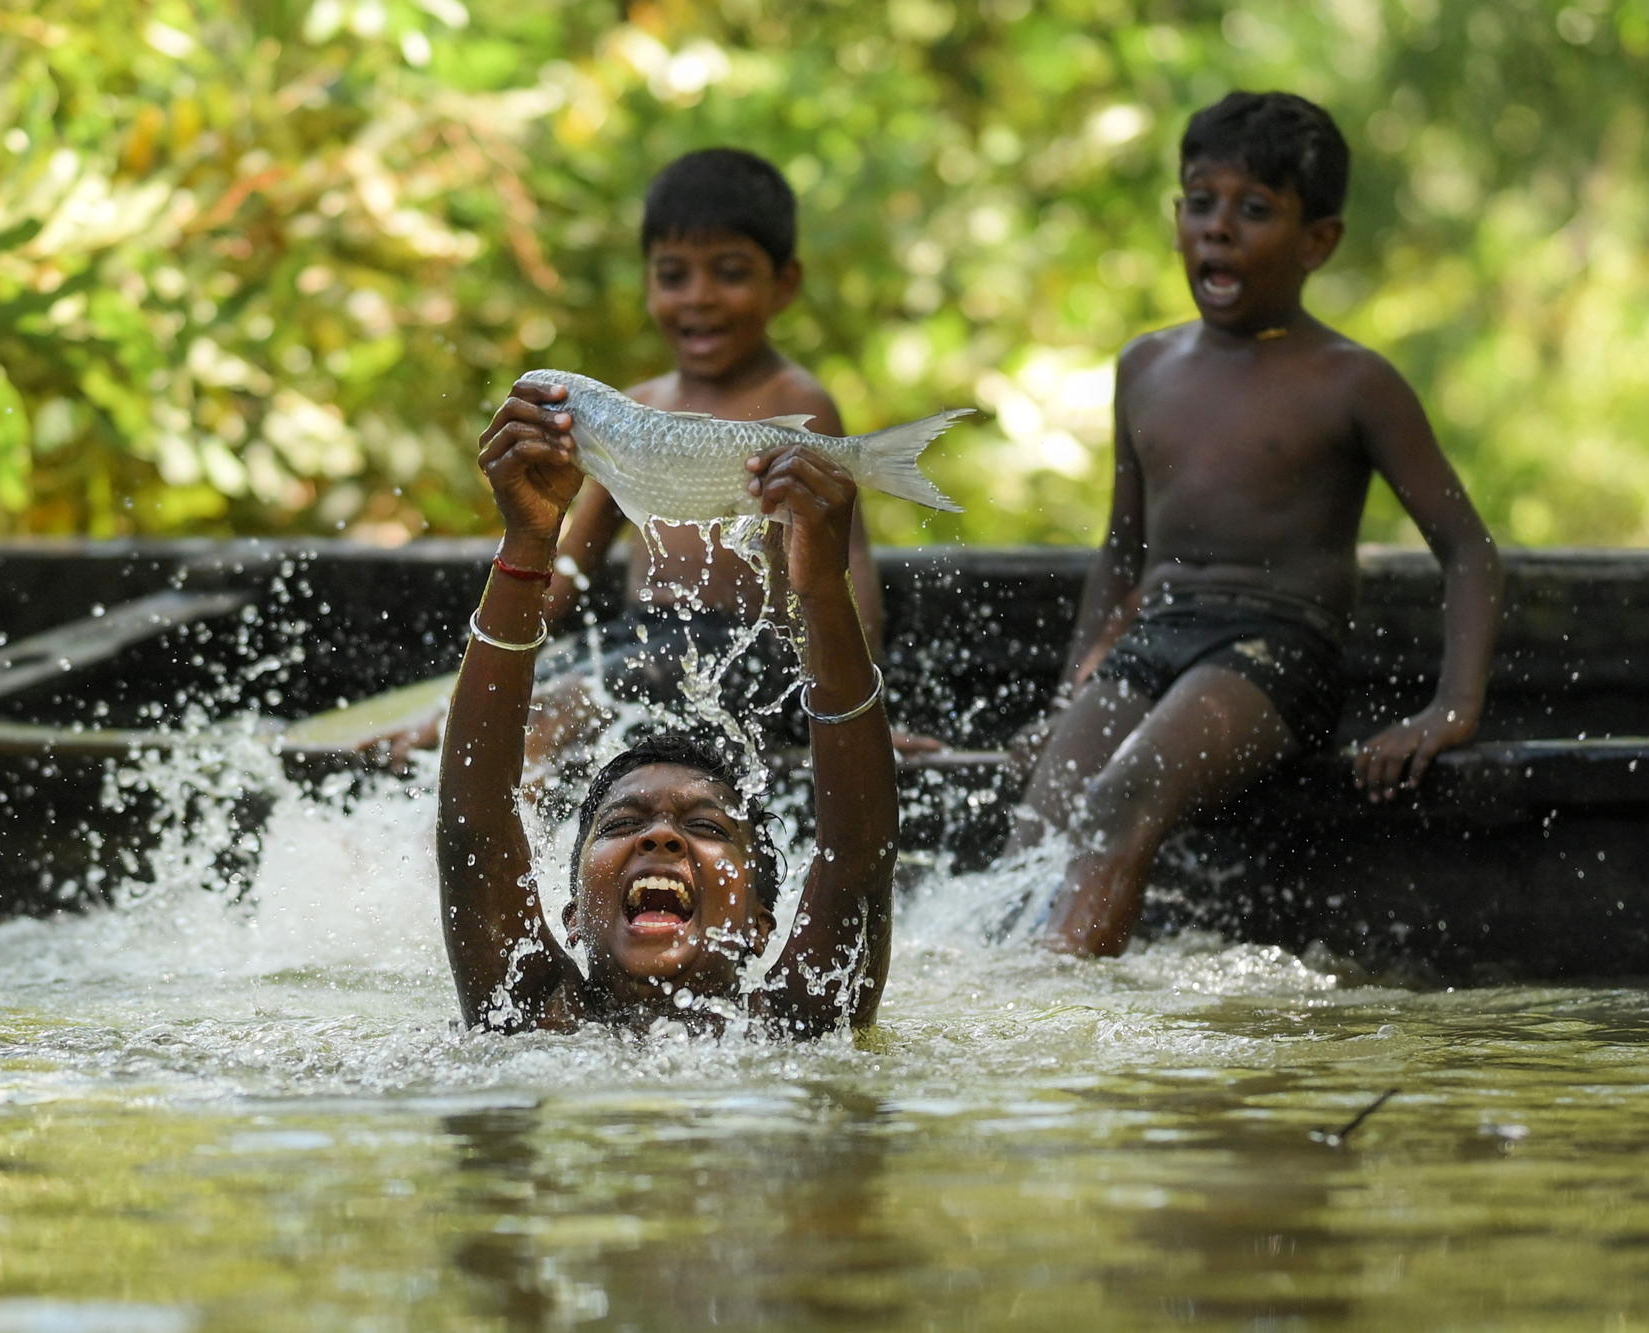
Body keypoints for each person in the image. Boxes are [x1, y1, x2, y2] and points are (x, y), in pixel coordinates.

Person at [1010, 91, 1504, 958]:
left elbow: (1466, 548)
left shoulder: (1353, 381)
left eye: (1255, 209)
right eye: (1200, 204)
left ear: (1319, 240)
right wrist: (1067, 696)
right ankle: (993, 1005)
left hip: (1276, 652)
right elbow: (1122, 550)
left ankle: (1057, 1022)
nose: (1219, 229)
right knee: (1036, 832)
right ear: (1176, 220)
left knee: (1125, 799)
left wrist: (1450, 708)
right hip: (1156, 639)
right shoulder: (1147, 365)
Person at [388, 147, 902, 767]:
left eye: (731, 272)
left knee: (559, 711)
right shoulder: (632, 411)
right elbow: (570, 569)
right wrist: (497, 667)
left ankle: (503, 848)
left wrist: (862, 707)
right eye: (673, 275)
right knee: (507, 699)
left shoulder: (796, 404)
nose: (700, 297)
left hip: (750, 654)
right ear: (648, 283)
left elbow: (846, 561)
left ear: (783, 285)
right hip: (636, 638)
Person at [438, 380, 897, 1034]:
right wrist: (528, 539)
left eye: (709, 827)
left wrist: (821, 587)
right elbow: (472, 827)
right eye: (623, 823)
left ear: (762, 926)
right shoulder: (532, 1008)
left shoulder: (803, 1017)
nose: (660, 836)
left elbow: (857, 858)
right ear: (571, 917)